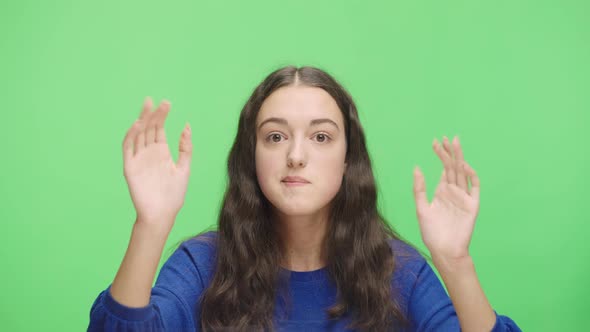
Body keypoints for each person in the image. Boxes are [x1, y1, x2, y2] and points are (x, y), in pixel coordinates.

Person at [88, 66, 521, 331]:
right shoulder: (203, 265)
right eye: (275, 137)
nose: (296, 156)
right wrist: (151, 225)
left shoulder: (399, 274)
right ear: (251, 157)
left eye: (320, 137)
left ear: (348, 159)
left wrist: (455, 263)